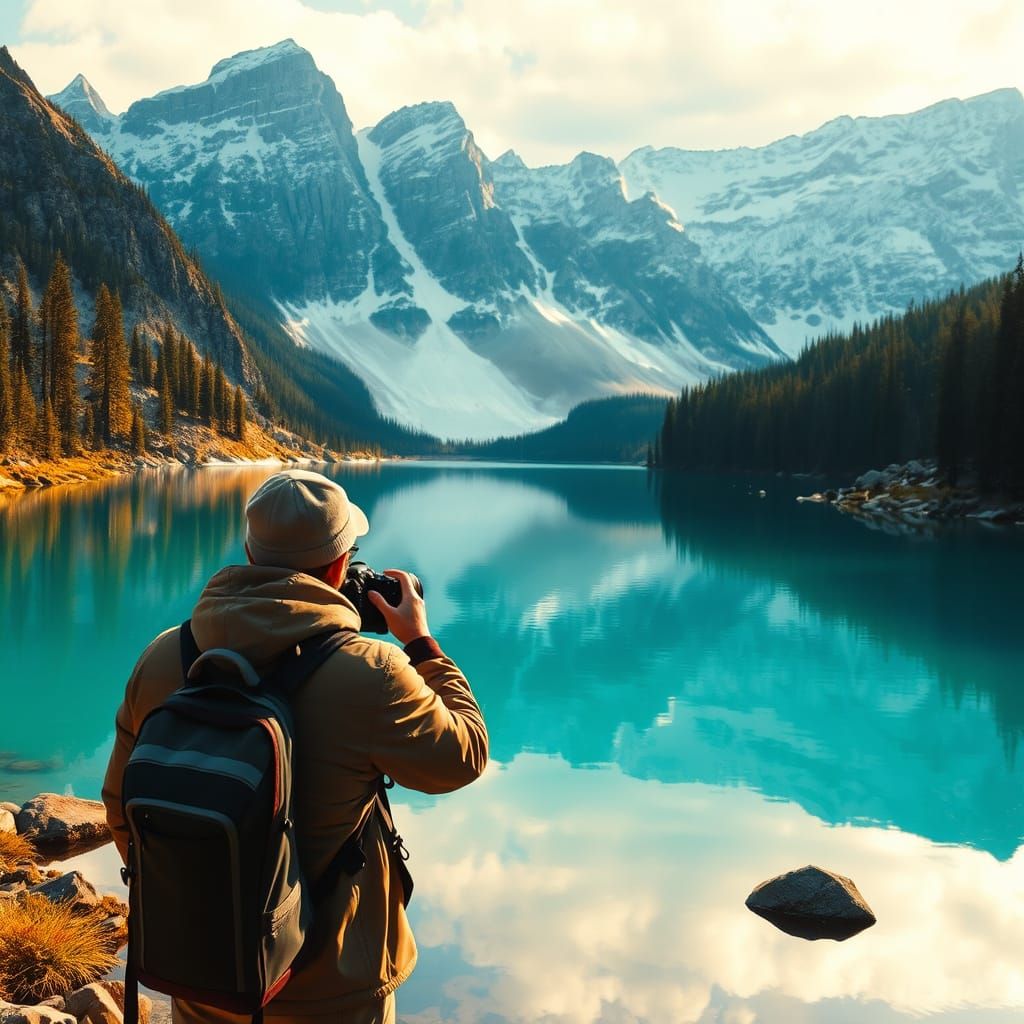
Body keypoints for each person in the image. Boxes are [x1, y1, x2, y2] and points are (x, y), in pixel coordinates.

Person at [102, 469, 489, 1024]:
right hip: (335, 990)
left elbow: (121, 811)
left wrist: (204, 901)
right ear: (338, 566)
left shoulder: (166, 657)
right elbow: (465, 756)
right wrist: (421, 643)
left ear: (249, 551)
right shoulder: (370, 672)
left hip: (205, 979)